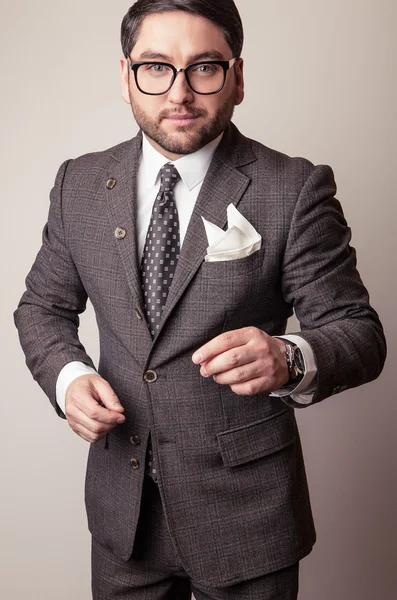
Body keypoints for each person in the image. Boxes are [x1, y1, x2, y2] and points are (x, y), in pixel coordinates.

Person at [14, 1, 386, 598]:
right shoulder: (77, 184)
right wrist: (68, 378)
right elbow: (41, 308)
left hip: (248, 520)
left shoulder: (293, 188)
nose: (179, 93)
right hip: (122, 520)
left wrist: (289, 358)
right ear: (125, 75)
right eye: (156, 67)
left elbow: (359, 333)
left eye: (204, 67)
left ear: (237, 77)